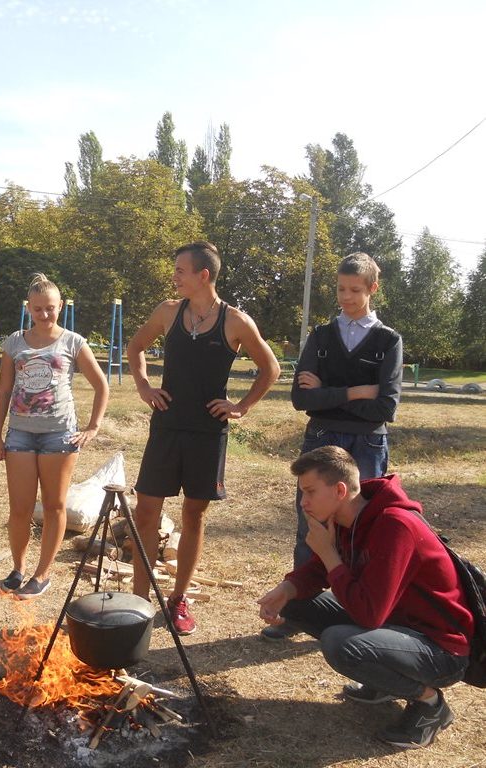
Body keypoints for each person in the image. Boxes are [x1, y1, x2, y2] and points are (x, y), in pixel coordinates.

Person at [258, 447, 472, 749]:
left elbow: (368, 614)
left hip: (442, 650)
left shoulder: (394, 525)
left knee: (341, 644)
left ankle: (430, 705)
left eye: (310, 491)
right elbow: (320, 571)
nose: (303, 502)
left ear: (340, 490)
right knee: (296, 601)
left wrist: (328, 553)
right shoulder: (349, 518)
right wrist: (287, 589)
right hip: (398, 626)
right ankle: (383, 682)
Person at [127, 241, 280, 634]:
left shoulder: (236, 321)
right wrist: (144, 386)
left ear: (203, 275)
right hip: (166, 426)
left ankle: (178, 599)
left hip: (207, 433)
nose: (174, 277)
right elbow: (136, 346)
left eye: (181, 271)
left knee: (194, 514)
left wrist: (242, 406)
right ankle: (139, 602)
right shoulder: (167, 311)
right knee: (146, 512)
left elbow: (271, 368)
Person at [263, 252, 402, 640]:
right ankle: (299, 614)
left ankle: (359, 613)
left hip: (367, 442)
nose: (346, 297)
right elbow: (300, 399)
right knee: (310, 522)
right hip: (322, 438)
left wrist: (327, 392)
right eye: (341, 289)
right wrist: (356, 391)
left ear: (372, 289)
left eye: (355, 290)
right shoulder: (321, 337)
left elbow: (386, 407)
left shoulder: (388, 340)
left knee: (363, 529)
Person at [0, 273, 109, 599]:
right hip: (20, 435)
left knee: (55, 506)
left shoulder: (73, 342)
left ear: (61, 306)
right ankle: (18, 569)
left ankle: (42, 575)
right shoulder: (14, 343)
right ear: (28, 308)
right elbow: (3, 392)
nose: (45, 314)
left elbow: (101, 385)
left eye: (51, 308)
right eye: (38, 308)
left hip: (59, 436)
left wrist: (93, 427)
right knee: (20, 509)